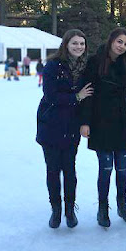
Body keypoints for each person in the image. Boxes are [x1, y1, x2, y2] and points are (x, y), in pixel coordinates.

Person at [80, 28, 126, 228]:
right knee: (106, 167)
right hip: (100, 120)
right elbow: (88, 93)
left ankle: (122, 204)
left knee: (122, 167)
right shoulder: (95, 61)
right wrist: (84, 122)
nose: (122, 46)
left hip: (122, 120)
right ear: (111, 41)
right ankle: (103, 208)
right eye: (119, 42)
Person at [36, 30, 93, 229]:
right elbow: (50, 96)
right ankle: (56, 210)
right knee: (53, 170)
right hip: (51, 124)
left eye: (82, 44)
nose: (79, 47)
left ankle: (69, 209)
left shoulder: (85, 68)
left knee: (69, 169)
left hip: (71, 126)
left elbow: (89, 98)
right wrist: (76, 97)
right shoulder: (53, 66)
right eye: (75, 43)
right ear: (66, 44)